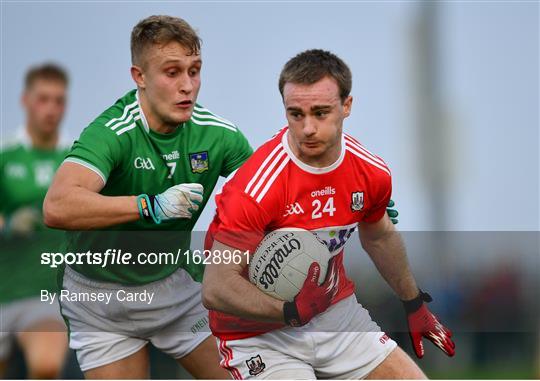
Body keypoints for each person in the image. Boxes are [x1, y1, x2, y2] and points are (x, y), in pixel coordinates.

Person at [202, 49, 455, 379]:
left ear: (346, 106)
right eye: (296, 114)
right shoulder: (256, 187)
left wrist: (413, 302)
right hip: (258, 336)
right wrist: (289, 311)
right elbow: (216, 287)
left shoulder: (370, 172)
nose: (307, 128)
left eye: (320, 113)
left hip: (334, 314)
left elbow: (378, 236)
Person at [43, 15, 252, 379]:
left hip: (174, 288)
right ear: (139, 76)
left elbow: (272, 189)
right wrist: (149, 205)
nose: (187, 86)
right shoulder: (112, 132)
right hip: (98, 299)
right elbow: (57, 205)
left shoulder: (218, 135)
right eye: (172, 73)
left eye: (194, 70)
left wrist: (353, 200)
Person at [0, 63, 70, 378]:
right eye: (43, 99)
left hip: (44, 296)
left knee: (46, 366)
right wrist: (9, 224)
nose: (51, 109)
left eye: (59, 100)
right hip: (3, 290)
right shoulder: (5, 155)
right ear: (25, 100)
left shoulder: (76, 160)